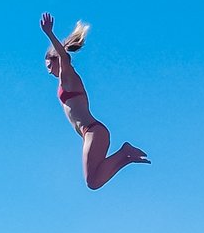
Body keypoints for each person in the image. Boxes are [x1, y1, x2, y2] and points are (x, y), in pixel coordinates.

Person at [42, 12, 149, 190]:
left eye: (49, 65)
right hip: (89, 134)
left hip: (93, 131)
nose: (48, 71)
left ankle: (125, 152)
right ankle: (125, 156)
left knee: (91, 181)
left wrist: (49, 33)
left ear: (57, 61)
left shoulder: (67, 76)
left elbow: (63, 57)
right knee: (94, 181)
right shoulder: (63, 80)